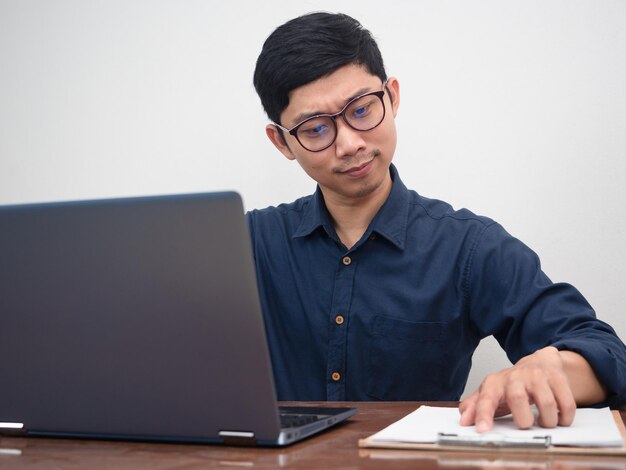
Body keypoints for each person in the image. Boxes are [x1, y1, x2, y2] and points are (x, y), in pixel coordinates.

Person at [248, 11, 626, 432]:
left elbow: (606, 352)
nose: (350, 144)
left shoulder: (468, 247)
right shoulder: (245, 244)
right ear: (282, 141)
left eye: (361, 110)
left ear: (392, 97)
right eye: (316, 129)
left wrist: (549, 368)